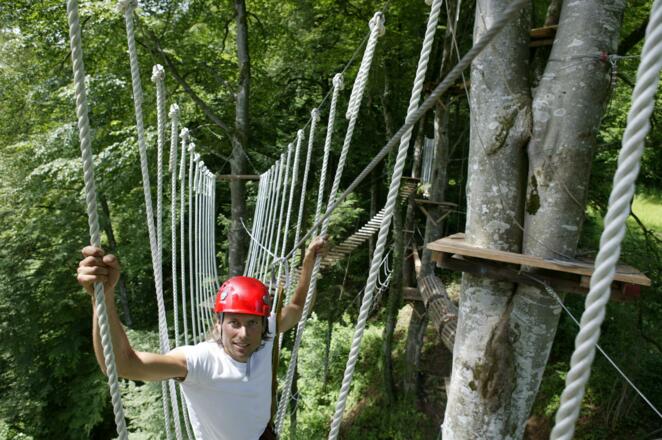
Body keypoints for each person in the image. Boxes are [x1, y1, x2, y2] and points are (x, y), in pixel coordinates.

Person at [77, 236, 326, 440]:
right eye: (234, 323)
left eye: (252, 323)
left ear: (262, 324)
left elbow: (298, 307)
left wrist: (308, 265)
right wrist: (102, 298)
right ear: (218, 324)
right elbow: (123, 364)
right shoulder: (201, 361)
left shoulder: (264, 334)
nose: (244, 334)